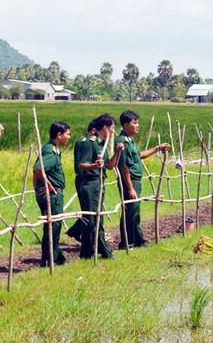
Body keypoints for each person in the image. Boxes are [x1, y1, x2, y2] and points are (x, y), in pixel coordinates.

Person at [116, 110, 169, 250]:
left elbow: (139, 156)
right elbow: (124, 167)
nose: (138, 125)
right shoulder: (122, 141)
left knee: (135, 212)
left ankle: (139, 240)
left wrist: (157, 148)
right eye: (135, 123)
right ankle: (127, 243)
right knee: (129, 212)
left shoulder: (130, 140)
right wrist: (130, 188)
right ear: (126, 125)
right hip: (130, 181)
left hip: (135, 180)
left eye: (138, 122)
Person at [75, 114, 124, 260]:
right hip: (89, 183)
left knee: (95, 218)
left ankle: (86, 253)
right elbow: (81, 165)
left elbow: (109, 166)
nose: (114, 132)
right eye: (112, 128)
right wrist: (94, 166)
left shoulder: (102, 144)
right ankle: (105, 252)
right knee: (94, 220)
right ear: (105, 128)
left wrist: (117, 152)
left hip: (98, 183)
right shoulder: (89, 142)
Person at [33, 121, 71, 267]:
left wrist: (37, 188)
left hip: (52, 193)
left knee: (54, 227)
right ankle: (48, 259)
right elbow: (37, 169)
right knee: (52, 227)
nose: (69, 137)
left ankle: (56, 257)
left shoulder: (52, 149)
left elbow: (37, 171)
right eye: (67, 134)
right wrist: (47, 184)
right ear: (59, 135)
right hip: (52, 195)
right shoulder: (51, 150)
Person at [66, 119, 97, 242]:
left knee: (89, 211)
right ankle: (76, 231)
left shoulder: (86, 141)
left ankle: (75, 231)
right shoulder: (86, 142)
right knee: (89, 211)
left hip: (85, 177)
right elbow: (82, 164)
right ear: (94, 130)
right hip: (84, 178)